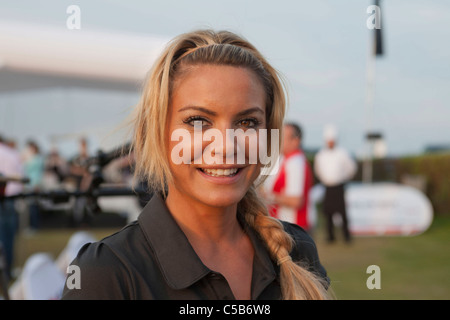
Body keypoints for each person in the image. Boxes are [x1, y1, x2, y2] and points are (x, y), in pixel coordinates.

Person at [62, 30, 330, 300]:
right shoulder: (106, 274)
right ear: (157, 131)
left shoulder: (297, 251)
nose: (225, 145)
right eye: (198, 121)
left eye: (247, 122)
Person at [261, 122, 314, 233]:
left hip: (294, 227)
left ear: (296, 141)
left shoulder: (295, 162)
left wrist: (268, 196)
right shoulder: (287, 159)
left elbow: (296, 201)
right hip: (288, 226)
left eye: (283, 137)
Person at [314, 124, 357, 244]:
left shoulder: (342, 153)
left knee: (342, 212)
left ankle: (346, 236)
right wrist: (325, 179)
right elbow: (318, 170)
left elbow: (351, 168)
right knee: (327, 212)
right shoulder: (321, 154)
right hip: (327, 187)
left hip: (339, 186)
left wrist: (343, 178)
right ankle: (330, 236)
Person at [0, 134, 24, 279]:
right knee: (8, 237)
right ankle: (7, 270)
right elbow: (21, 176)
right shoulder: (12, 154)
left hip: (5, 197)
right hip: (11, 198)